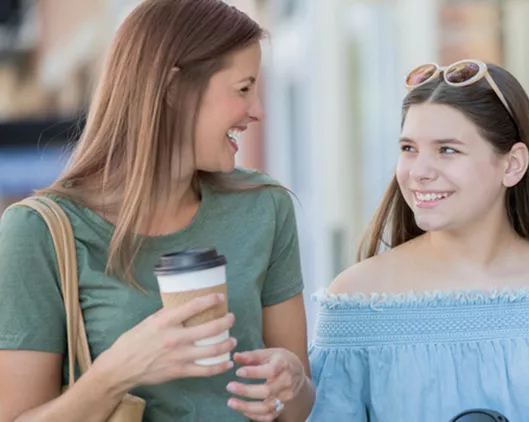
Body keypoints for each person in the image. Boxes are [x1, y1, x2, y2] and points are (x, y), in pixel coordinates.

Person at [0, 1, 314, 421]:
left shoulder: (265, 207)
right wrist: (118, 370)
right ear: (172, 90)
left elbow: (299, 405)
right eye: (243, 89)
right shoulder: (39, 231)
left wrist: (293, 383)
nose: (257, 110)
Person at [307, 60, 529, 421]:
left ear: (512, 165)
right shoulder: (356, 300)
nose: (419, 172)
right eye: (409, 148)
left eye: (447, 150)